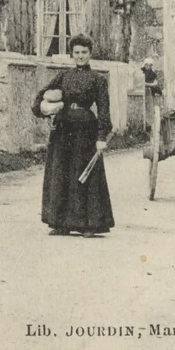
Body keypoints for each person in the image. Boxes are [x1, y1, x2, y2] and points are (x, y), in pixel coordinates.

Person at [33, 34, 114, 238]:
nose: (80, 56)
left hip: (85, 130)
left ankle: (89, 224)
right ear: (72, 54)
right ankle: (60, 223)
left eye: (84, 52)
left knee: (84, 175)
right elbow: (41, 94)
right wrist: (43, 110)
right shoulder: (64, 76)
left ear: (90, 54)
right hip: (63, 130)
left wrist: (101, 137)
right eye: (76, 52)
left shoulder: (98, 80)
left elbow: (103, 110)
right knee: (61, 173)